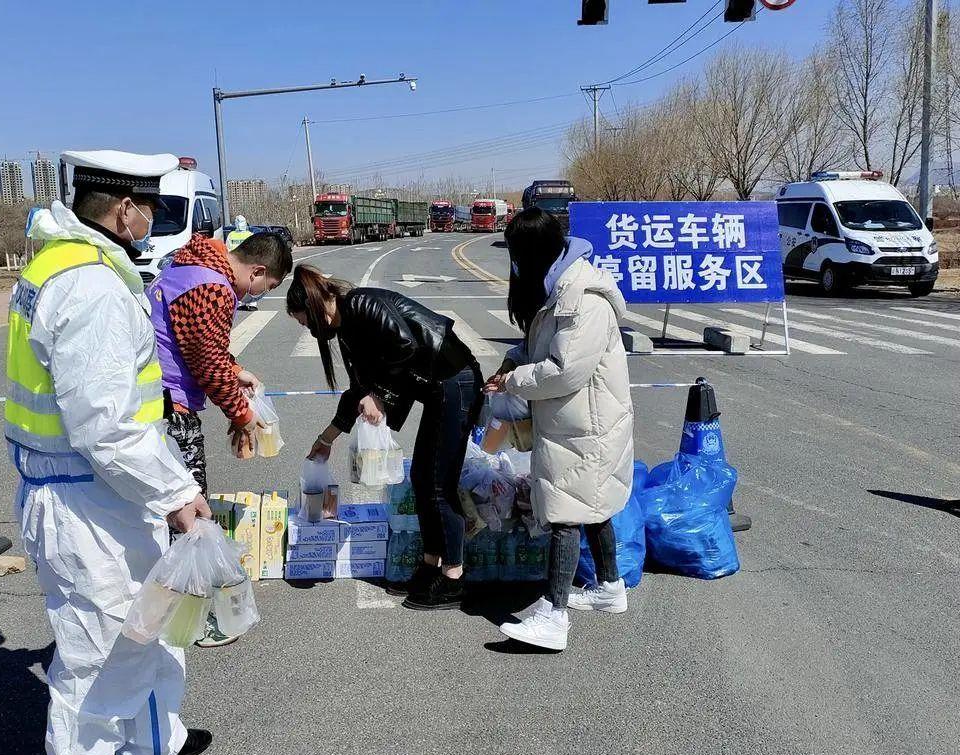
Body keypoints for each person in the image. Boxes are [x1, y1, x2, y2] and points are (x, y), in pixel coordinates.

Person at [8, 150, 212, 755]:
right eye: (151, 206)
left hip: (99, 489)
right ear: (123, 210)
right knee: (95, 654)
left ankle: (152, 743)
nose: (154, 219)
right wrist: (180, 494)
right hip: (83, 496)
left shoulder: (60, 263)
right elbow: (104, 427)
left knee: (147, 623)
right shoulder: (91, 287)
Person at [286, 267, 483, 610]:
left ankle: (454, 578)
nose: (307, 328)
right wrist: (327, 438)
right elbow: (357, 390)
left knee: (439, 485)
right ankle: (430, 564)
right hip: (438, 390)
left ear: (315, 306)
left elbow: (404, 345)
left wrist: (380, 395)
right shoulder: (346, 330)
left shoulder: (361, 305)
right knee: (423, 478)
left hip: (455, 381)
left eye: (304, 321)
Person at [485, 208, 634, 652]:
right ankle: (610, 587)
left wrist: (514, 381)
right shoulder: (559, 288)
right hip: (578, 422)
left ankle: (554, 614)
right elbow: (540, 347)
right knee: (592, 503)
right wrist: (513, 361)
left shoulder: (583, 299)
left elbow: (565, 370)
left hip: (588, 424)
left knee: (568, 511)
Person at [147, 229, 293, 646]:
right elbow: (206, 362)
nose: (259, 294)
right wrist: (243, 414)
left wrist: (235, 369)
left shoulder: (188, 264)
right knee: (189, 511)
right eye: (266, 287)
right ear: (258, 270)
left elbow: (197, 343)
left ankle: (164, 610)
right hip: (169, 406)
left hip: (154, 399)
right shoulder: (215, 287)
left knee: (165, 510)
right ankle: (190, 620)